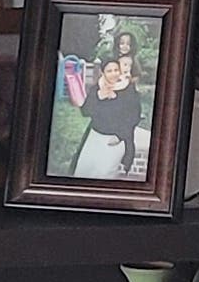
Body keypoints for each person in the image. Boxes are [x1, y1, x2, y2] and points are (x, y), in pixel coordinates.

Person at [61, 28, 151, 178]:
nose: (117, 72)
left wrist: (120, 135)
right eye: (111, 70)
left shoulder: (130, 91)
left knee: (103, 175)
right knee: (82, 172)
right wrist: (99, 96)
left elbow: (133, 116)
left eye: (121, 69)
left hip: (114, 140)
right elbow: (86, 111)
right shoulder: (99, 87)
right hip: (95, 136)